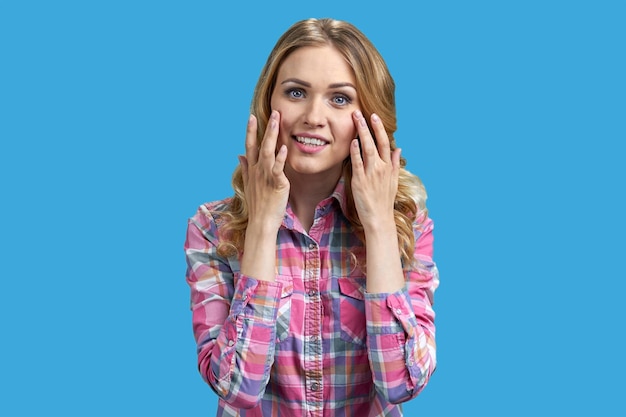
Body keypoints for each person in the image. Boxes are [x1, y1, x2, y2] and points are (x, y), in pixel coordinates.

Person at [184, 17, 439, 417]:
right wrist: (264, 227)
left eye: (339, 99)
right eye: (296, 92)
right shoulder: (213, 229)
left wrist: (378, 225)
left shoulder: (406, 223)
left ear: (369, 117)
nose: (313, 117)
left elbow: (401, 384)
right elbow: (237, 388)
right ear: (269, 103)